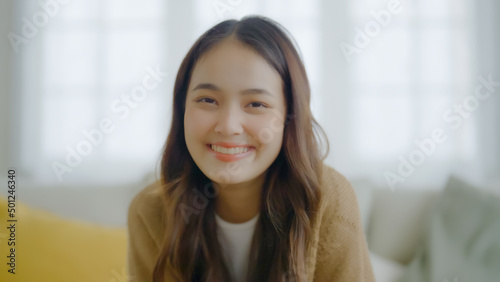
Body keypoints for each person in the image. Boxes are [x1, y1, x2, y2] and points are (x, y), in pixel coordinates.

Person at [127, 15, 375, 282]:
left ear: (289, 116)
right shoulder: (151, 212)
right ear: (181, 109)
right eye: (208, 100)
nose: (229, 126)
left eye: (256, 104)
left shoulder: (329, 201)